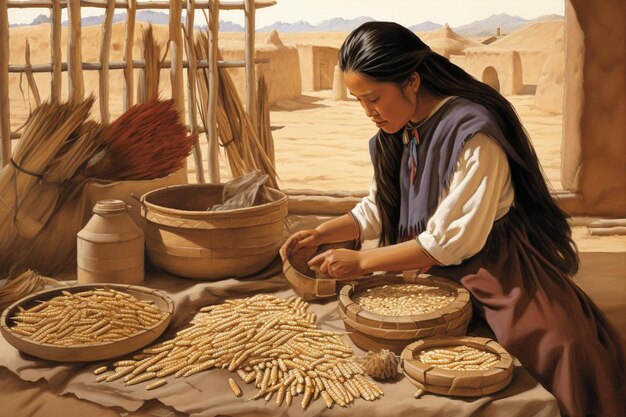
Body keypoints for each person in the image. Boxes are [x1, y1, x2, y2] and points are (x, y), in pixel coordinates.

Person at [279, 21, 625, 417]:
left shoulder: (473, 134)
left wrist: (360, 262)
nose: (367, 112)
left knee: (562, 345)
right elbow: (382, 205)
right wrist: (323, 233)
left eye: (373, 97)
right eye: (359, 100)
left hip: (494, 267)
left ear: (411, 81)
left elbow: (450, 242)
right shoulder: (400, 130)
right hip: (421, 263)